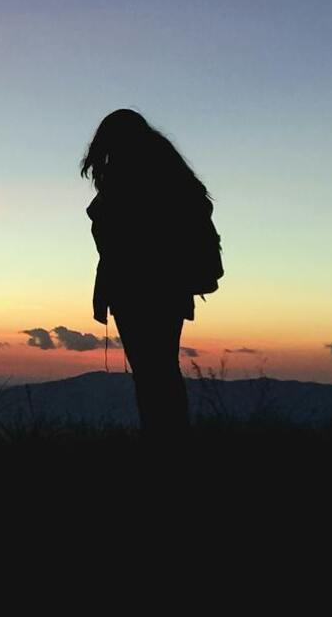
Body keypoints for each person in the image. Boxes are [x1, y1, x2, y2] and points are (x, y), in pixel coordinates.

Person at [81, 108, 221, 438]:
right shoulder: (168, 173)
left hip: (137, 289)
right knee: (161, 369)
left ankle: (163, 439)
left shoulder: (128, 175)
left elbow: (117, 237)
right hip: (170, 288)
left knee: (150, 373)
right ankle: (169, 436)